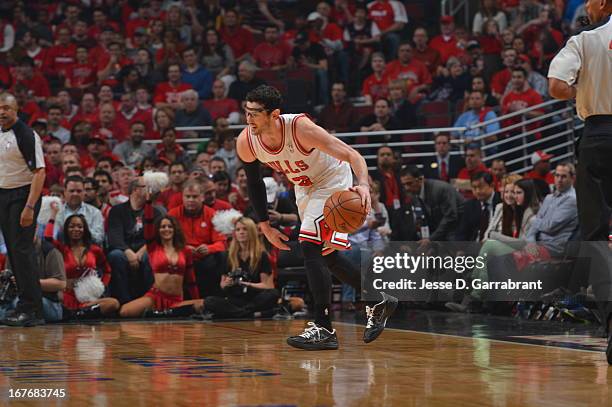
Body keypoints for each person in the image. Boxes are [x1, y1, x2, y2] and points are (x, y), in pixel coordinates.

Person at [236, 85, 397, 350]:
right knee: (325, 254)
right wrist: (264, 225)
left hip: (333, 180)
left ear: (274, 114)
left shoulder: (300, 128)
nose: (248, 119)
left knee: (309, 244)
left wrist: (364, 184)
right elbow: (254, 184)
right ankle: (378, 300)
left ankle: (323, 327)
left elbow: (351, 154)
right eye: (246, 112)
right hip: (305, 187)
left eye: (255, 113)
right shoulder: (246, 141)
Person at [548, 2, 612, 364]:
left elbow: (557, 85)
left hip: (600, 135)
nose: (585, 5)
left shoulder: (585, 40)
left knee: (597, 237)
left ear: (602, 3)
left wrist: (583, 88)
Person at [0, 93, 46, 326]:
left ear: (16, 109)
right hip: (4, 193)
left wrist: (29, 207)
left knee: (23, 250)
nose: (2, 112)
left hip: (23, 194)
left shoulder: (26, 134)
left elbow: (40, 172)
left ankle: (33, 310)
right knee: (13, 251)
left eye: (6, 108)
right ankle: (24, 304)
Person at [119, 190, 202, 318]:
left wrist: (196, 299)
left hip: (176, 300)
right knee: (125, 311)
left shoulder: (185, 251)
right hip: (156, 296)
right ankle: (160, 313)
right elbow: (148, 223)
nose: (166, 229)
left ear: (175, 229)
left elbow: (191, 281)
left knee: (201, 304)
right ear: (158, 230)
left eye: (170, 226)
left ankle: (161, 314)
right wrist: (148, 203)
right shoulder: (153, 247)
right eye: (163, 227)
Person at [46, 207, 120, 318]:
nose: (76, 229)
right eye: (71, 226)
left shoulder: (95, 250)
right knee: (57, 299)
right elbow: (47, 237)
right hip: (67, 294)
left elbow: (107, 270)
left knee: (113, 303)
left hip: (88, 297)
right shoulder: (61, 249)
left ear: (85, 229)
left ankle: (80, 313)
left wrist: (101, 286)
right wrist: (53, 216)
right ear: (66, 229)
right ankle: (82, 313)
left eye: (80, 226)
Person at [204, 217, 280, 318]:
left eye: (245, 229)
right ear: (234, 233)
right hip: (235, 299)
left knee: (273, 294)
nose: (241, 232)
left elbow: (268, 286)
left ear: (252, 232)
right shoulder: (228, 255)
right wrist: (227, 283)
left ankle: (236, 314)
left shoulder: (261, 255)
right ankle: (250, 314)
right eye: (238, 230)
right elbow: (222, 285)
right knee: (209, 301)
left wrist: (247, 284)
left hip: (255, 298)